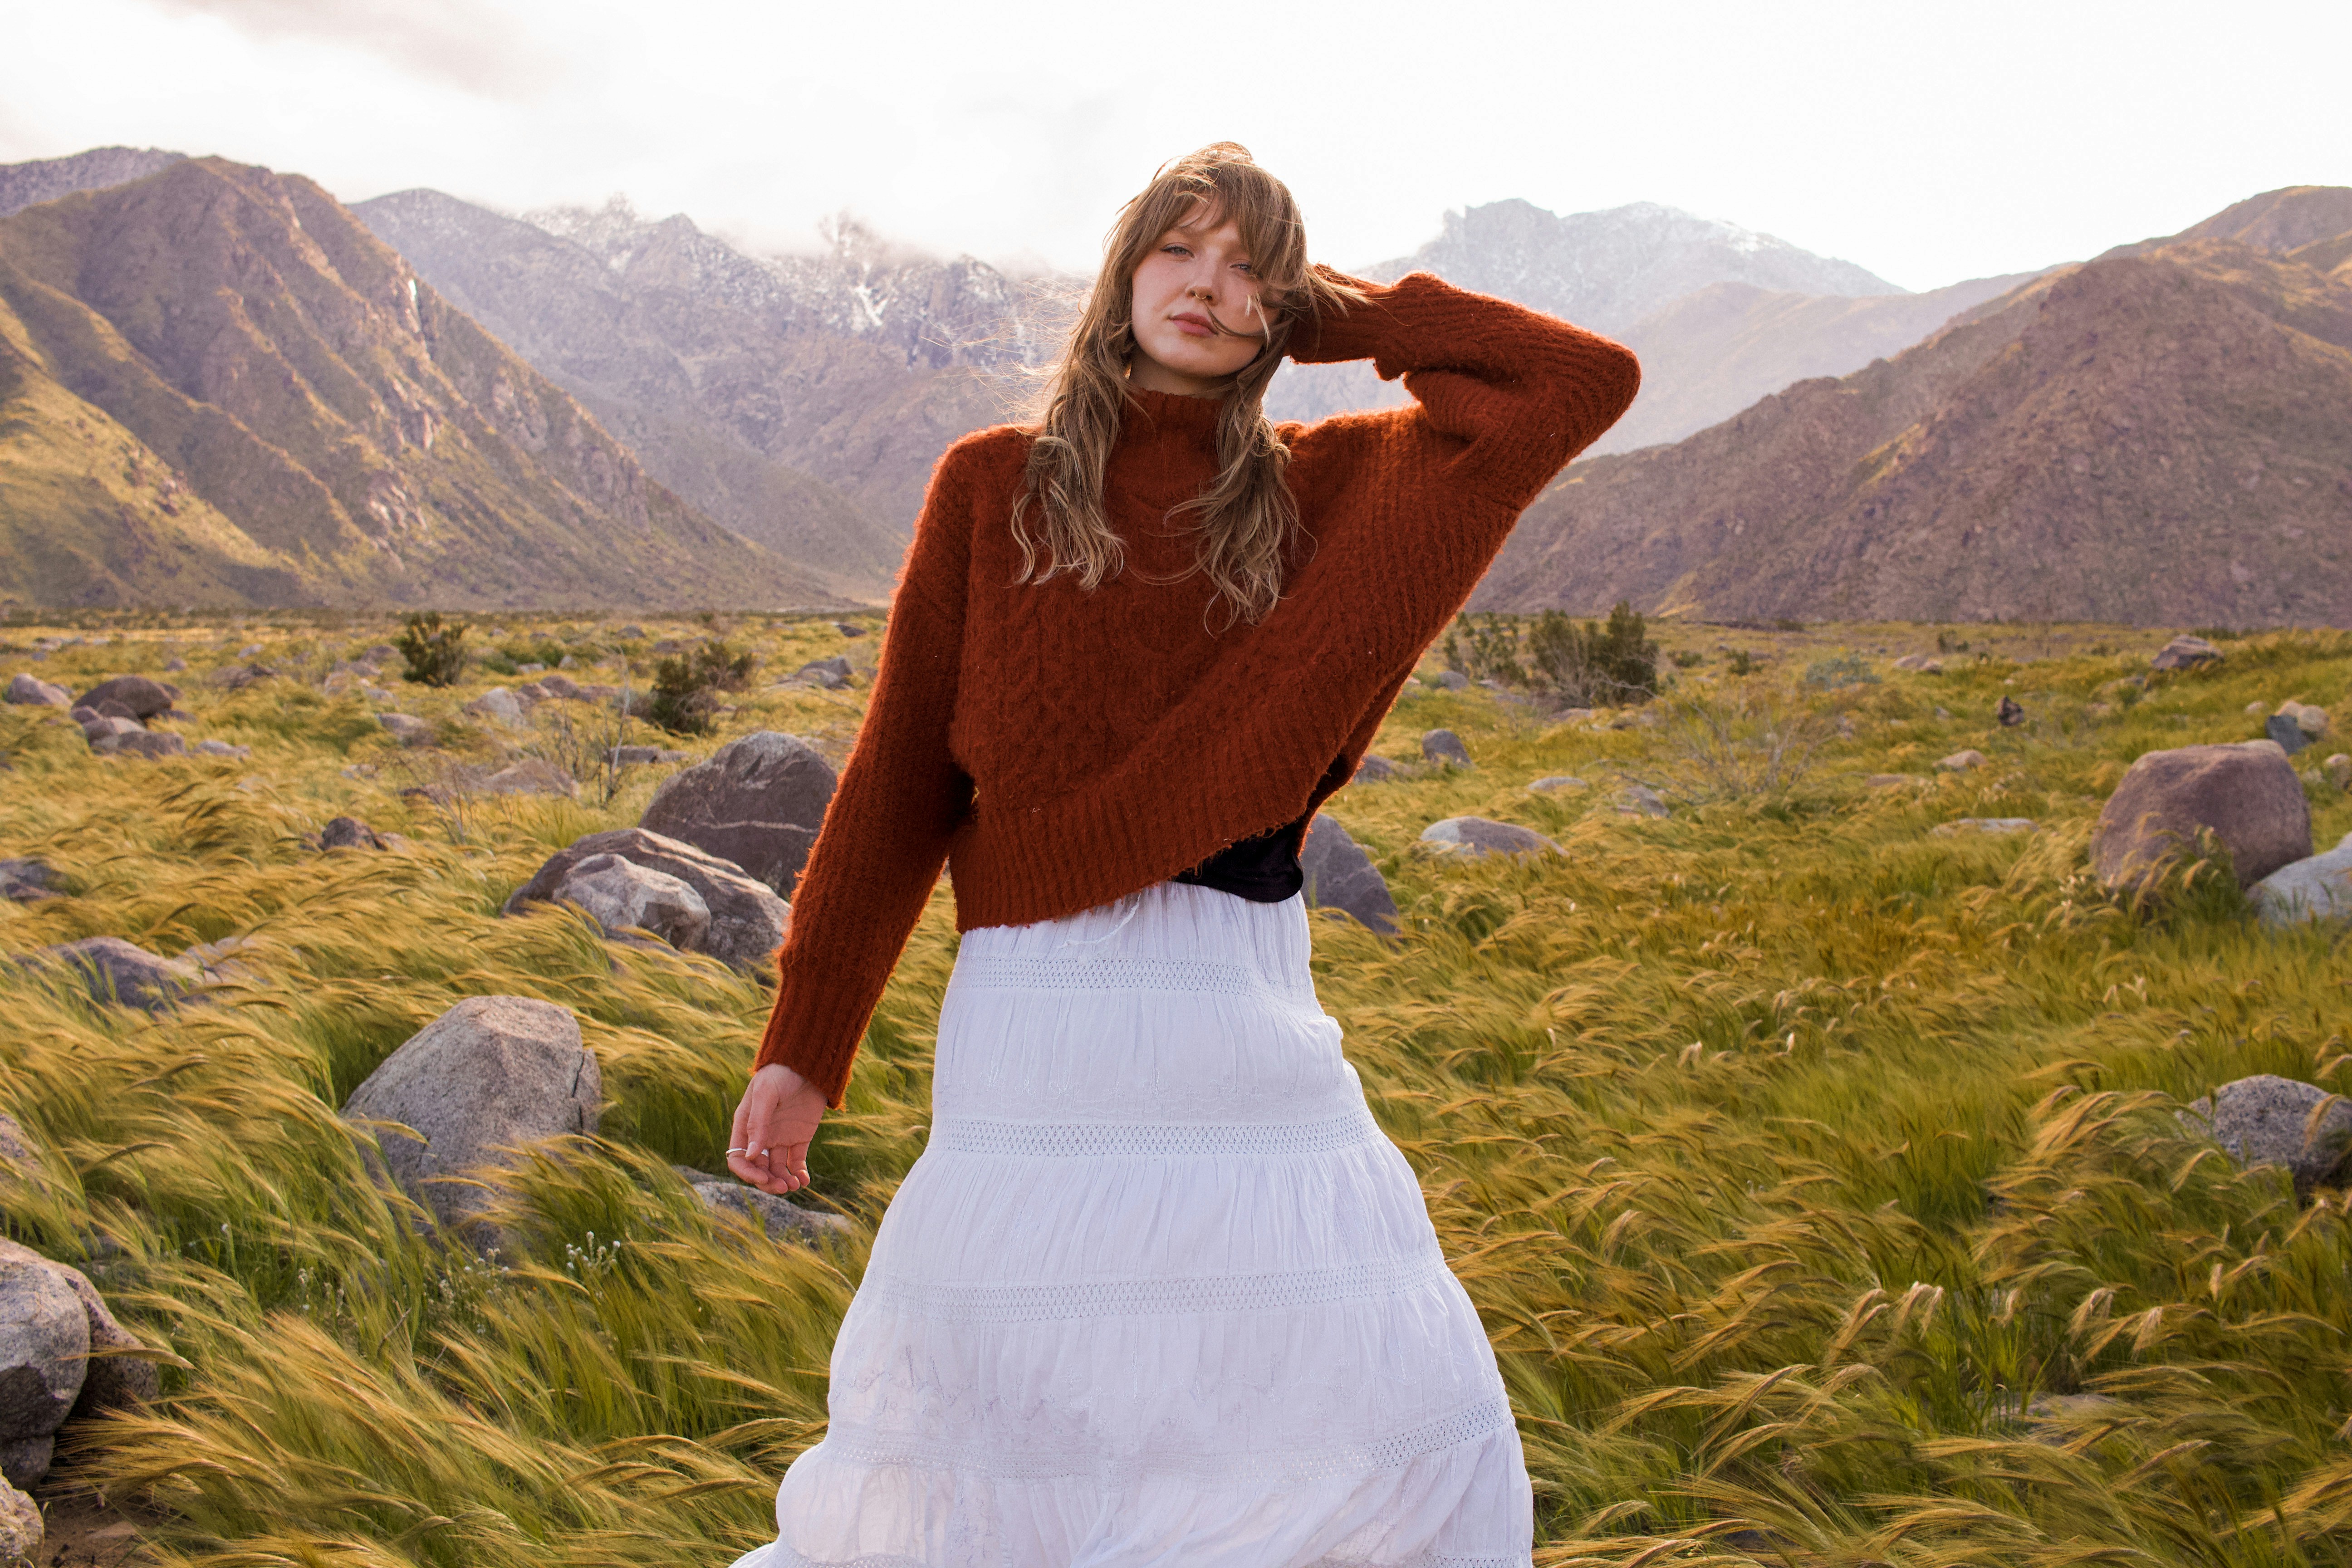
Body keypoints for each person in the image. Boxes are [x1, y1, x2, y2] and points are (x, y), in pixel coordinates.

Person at [725, 142, 1639, 1567]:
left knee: (1358, 1389)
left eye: (1249, 272)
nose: (1209, 289)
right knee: (1019, 1405)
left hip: (1236, 1007)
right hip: (1039, 1017)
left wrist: (1354, 314)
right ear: (1124, 270)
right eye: (1182, 252)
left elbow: (1579, 385)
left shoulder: (1327, 491)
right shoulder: (992, 486)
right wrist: (804, 1046)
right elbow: (901, 777)